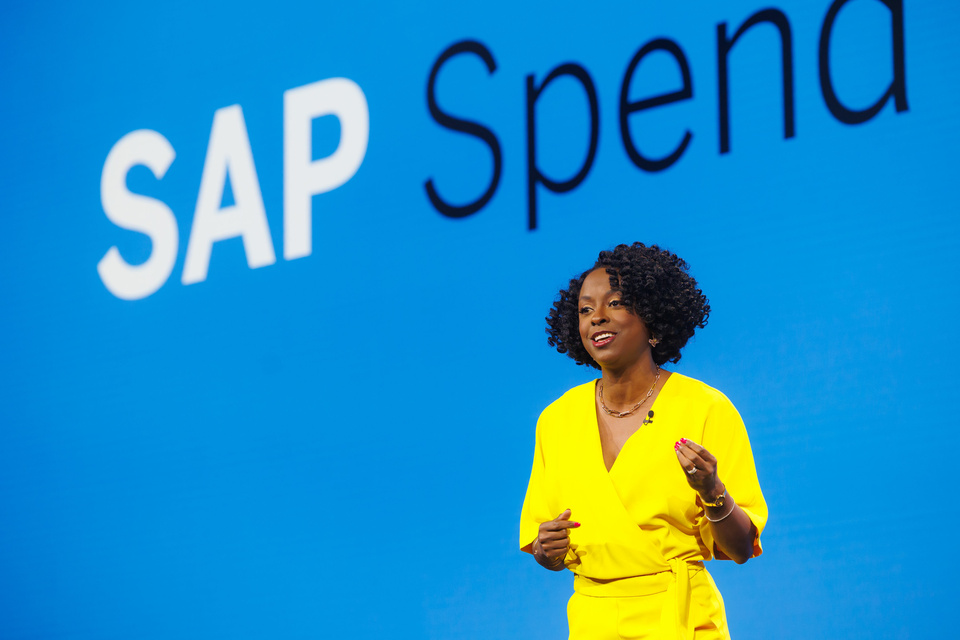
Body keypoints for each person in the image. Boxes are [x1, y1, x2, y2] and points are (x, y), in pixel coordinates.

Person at [520, 243, 767, 640]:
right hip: (592, 624)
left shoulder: (706, 408)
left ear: (652, 317)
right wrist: (546, 551)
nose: (597, 317)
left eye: (615, 303)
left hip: (680, 619)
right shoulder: (556, 419)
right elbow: (544, 545)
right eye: (585, 309)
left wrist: (712, 490)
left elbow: (740, 549)